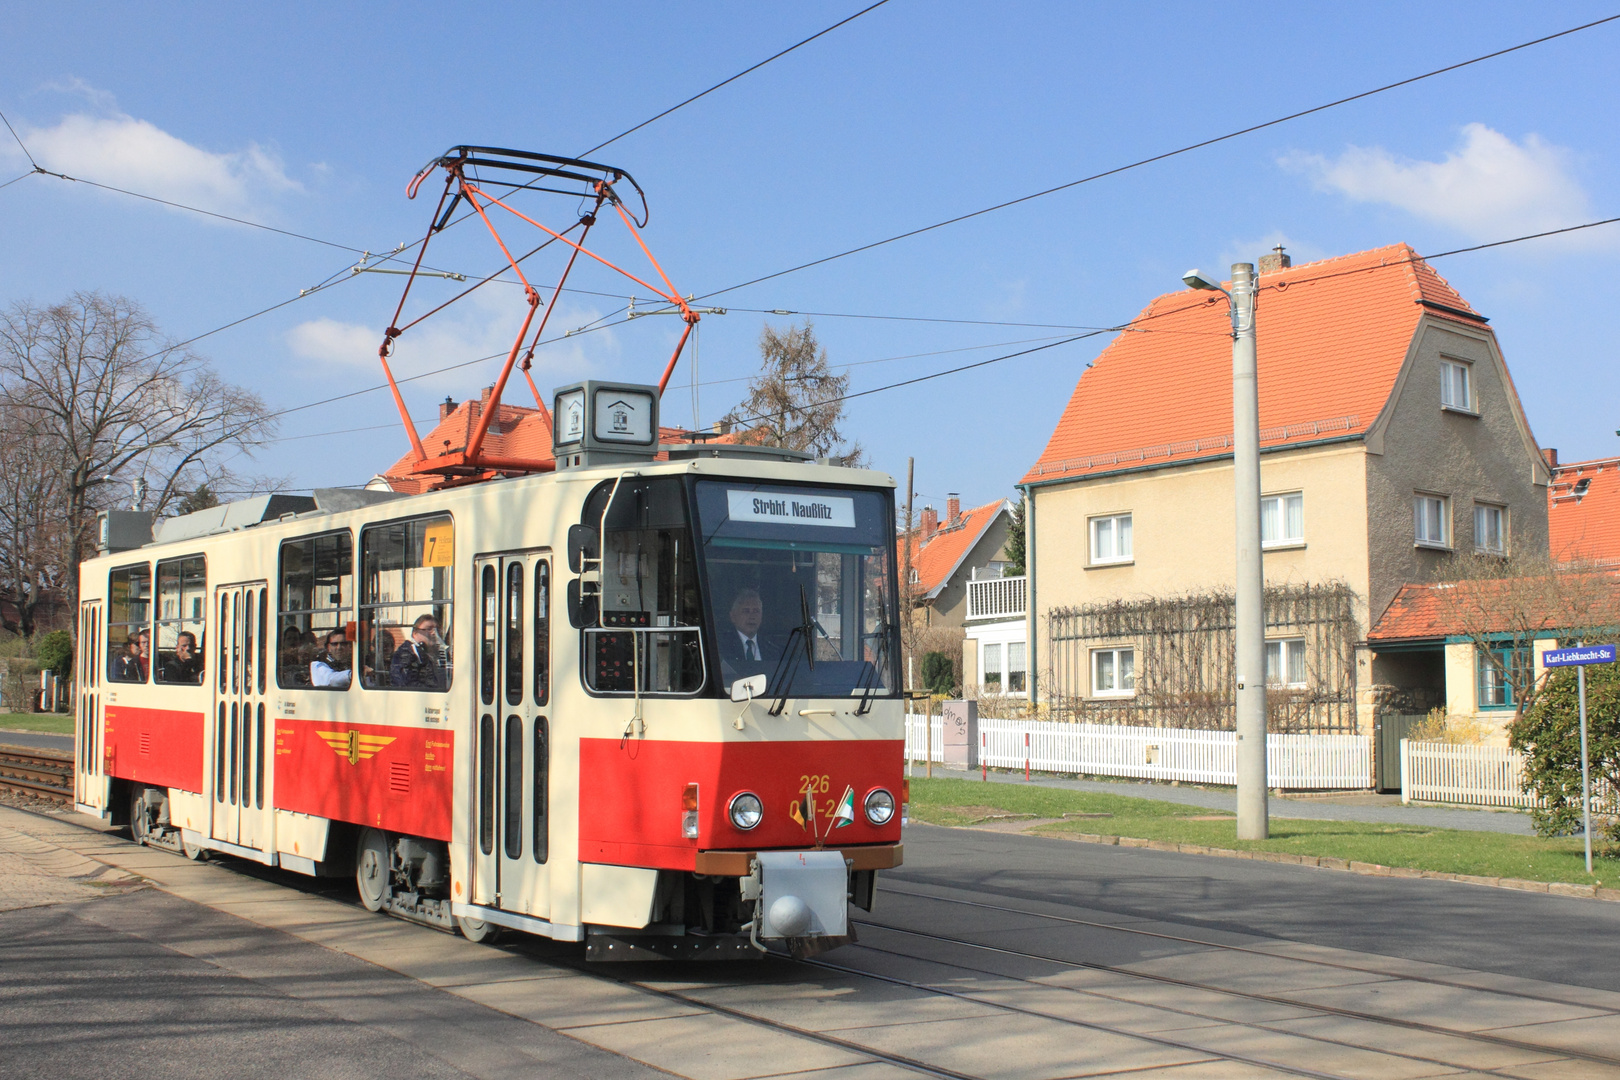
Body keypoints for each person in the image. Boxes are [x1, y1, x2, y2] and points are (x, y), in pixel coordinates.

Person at [718, 588, 778, 665]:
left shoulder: (772, 651)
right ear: (733, 616)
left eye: (756, 611)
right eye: (746, 611)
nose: (752, 616)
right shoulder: (721, 649)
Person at [390, 613, 447, 689]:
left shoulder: (434, 654)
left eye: (436, 629)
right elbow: (406, 684)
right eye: (429, 629)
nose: (434, 633)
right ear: (415, 633)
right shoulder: (406, 653)